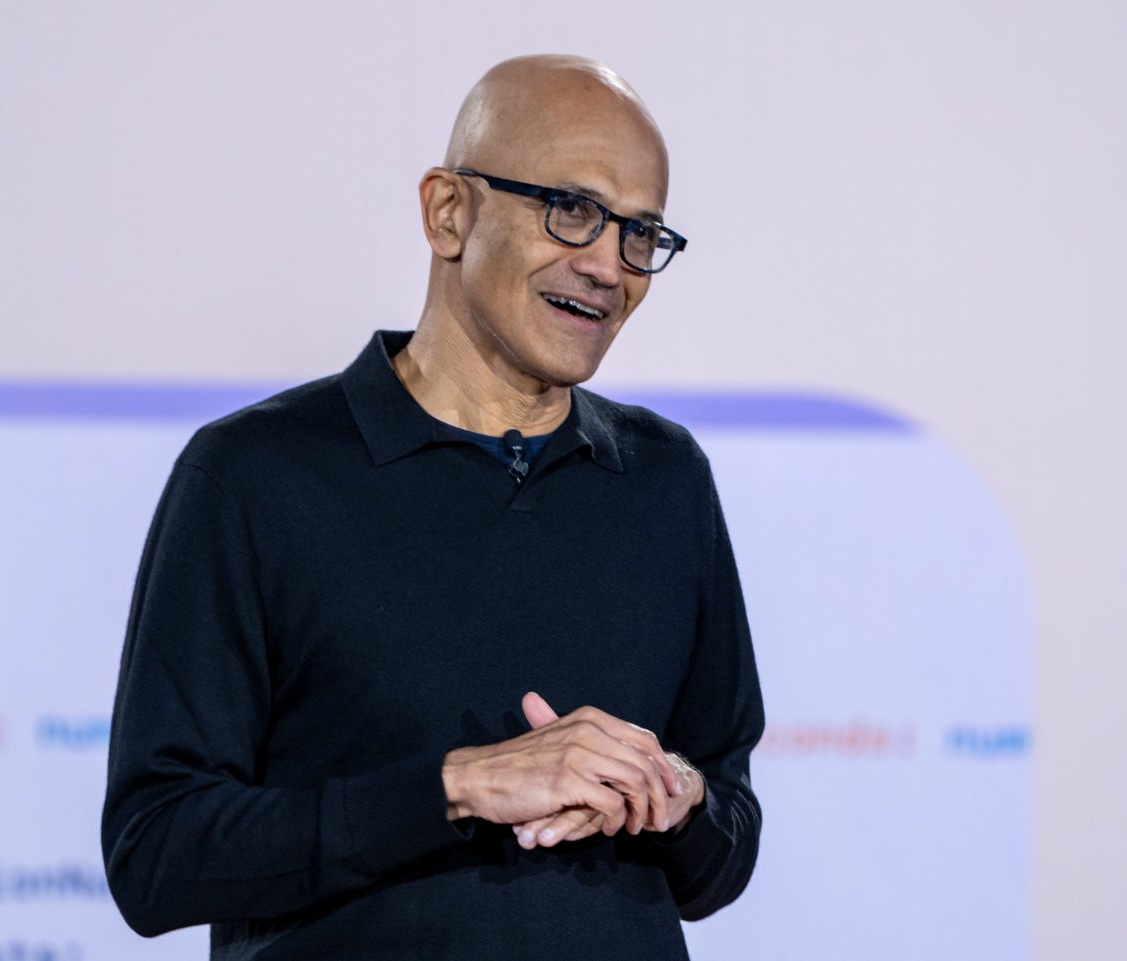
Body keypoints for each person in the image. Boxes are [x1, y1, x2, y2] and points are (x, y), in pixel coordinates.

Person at [101, 54, 764, 960]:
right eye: (571, 209)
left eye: (640, 233)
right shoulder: (252, 475)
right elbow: (157, 854)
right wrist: (459, 787)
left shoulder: (666, 478)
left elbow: (726, 845)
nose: (609, 266)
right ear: (448, 211)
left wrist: (677, 795)